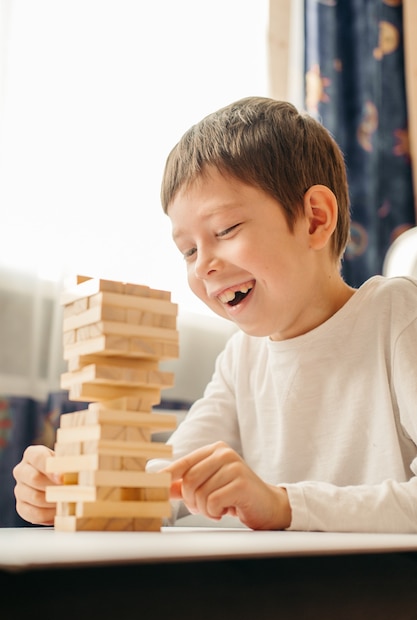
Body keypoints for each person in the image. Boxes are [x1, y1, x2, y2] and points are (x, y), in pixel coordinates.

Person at [13, 97, 417, 532]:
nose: (203, 265)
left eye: (225, 230)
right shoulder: (241, 357)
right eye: (188, 250)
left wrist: (284, 505)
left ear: (315, 219)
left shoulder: (396, 317)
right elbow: (171, 484)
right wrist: (79, 491)